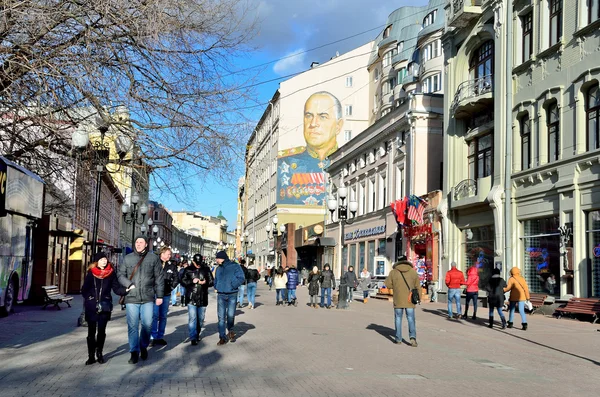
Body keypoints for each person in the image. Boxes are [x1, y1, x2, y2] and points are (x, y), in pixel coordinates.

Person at [277, 92, 344, 206]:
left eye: (323, 117)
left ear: (338, 125)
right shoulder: (286, 162)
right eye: (308, 116)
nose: (313, 123)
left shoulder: (346, 158)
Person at [117, 235, 164, 364]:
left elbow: (159, 278)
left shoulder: (153, 258)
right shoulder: (128, 258)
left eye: (141, 242)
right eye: (136, 242)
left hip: (148, 297)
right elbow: (120, 275)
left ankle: (143, 346)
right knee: (132, 326)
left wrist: (159, 296)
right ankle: (134, 351)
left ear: (146, 244)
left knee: (147, 324)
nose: (138, 244)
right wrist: (128, 284)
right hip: (132, 297)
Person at [81, 252, 126, 365]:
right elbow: (84, 289)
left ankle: (99, 353)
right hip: (91, 306)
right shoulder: (91, 273)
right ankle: (91, 356)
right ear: (97, 262)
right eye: (101, 260)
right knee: (91, 332)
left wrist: (126, 290)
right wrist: (89, 298)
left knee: (101, 331)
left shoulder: (111, 273)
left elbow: (116, 288)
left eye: (105, 259)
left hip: (105, 305)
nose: (104, 261)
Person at [385, 257, 420, 347]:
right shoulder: (412, 272)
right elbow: (417, 286)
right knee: (411, 319)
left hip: (398, 299)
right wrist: (418, 297)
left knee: (398, 318)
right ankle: (412, 338)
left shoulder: (393, 272)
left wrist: (396, 286)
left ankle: (398, 339)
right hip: (410, 299)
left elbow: (388, 284)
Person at [213, 251, 245, 346]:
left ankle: (231, 331)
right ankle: (222, 337)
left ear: (221, 258)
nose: (216, 260)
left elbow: (241, 277)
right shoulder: (218, 268)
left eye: (217, 258)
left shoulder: (234, 266)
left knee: (230, 315)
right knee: (221, 317)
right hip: (221, 294)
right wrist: (216, 286)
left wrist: (233, 285)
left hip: (232, 294)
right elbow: (216, 280)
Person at [181, 254, 213, 345]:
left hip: (203, 297)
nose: (198, 265)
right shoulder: (188, 269)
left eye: (200, 263)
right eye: (197, 263)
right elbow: (182, 281)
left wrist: (206, 282)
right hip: (191, 297)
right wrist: (192, 281)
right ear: (193, 261)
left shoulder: (206, 269)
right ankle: (193, 337)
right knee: (192, 318)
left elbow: (212, 282)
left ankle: (197, 333)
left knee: (200, 319)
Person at [150, 246, 179, 346]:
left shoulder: (171, 265)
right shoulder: (154, 263)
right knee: (154, 316)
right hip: (154, 294)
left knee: (163, 316)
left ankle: (160, 336)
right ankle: (153, 336)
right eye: (168, 254)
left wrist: (171, 287)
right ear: (162, 254)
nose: (170, 256)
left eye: (170, 254)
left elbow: (176, 278)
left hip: (166, 294)